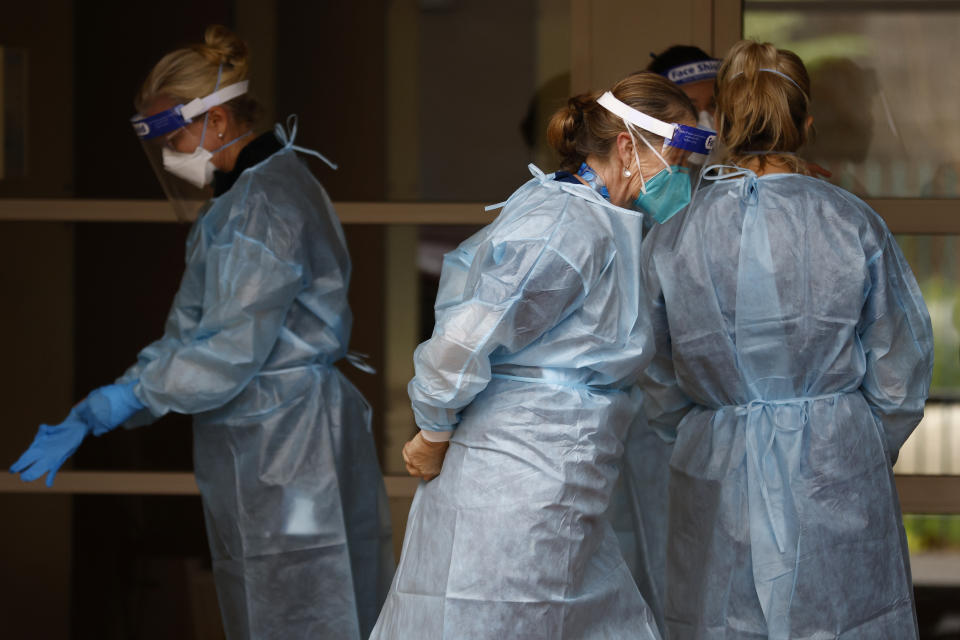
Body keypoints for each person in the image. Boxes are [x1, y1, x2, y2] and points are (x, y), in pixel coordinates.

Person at [10, 25, 392, 640]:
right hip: (266, 439)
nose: (168, 151)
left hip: (291, 444)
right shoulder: (242, 201)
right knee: (271, 600)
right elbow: (192, 331)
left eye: (173, 133)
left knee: (304, 605)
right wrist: (110, 402)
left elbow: (227, 349)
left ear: (216, 121)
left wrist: (131, 397)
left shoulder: (264, 205)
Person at [370, 72, 698, 640]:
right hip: (515, 482)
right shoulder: (566, 227)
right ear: (627, 146)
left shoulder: (608, 225)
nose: (684, 176)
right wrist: (434, 428)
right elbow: (465, 337)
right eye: (677, 157)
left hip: (554, 479)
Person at [641, 40, 933, 639]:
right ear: (806, 121)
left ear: (719, 121)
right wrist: (850, 440)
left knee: (720, 620)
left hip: (715, 463)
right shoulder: (849, 221)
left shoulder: (676, 235)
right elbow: (900, 366)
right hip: (835, 461)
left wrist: (711, 429)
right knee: (844, 620)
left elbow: (655, 371)